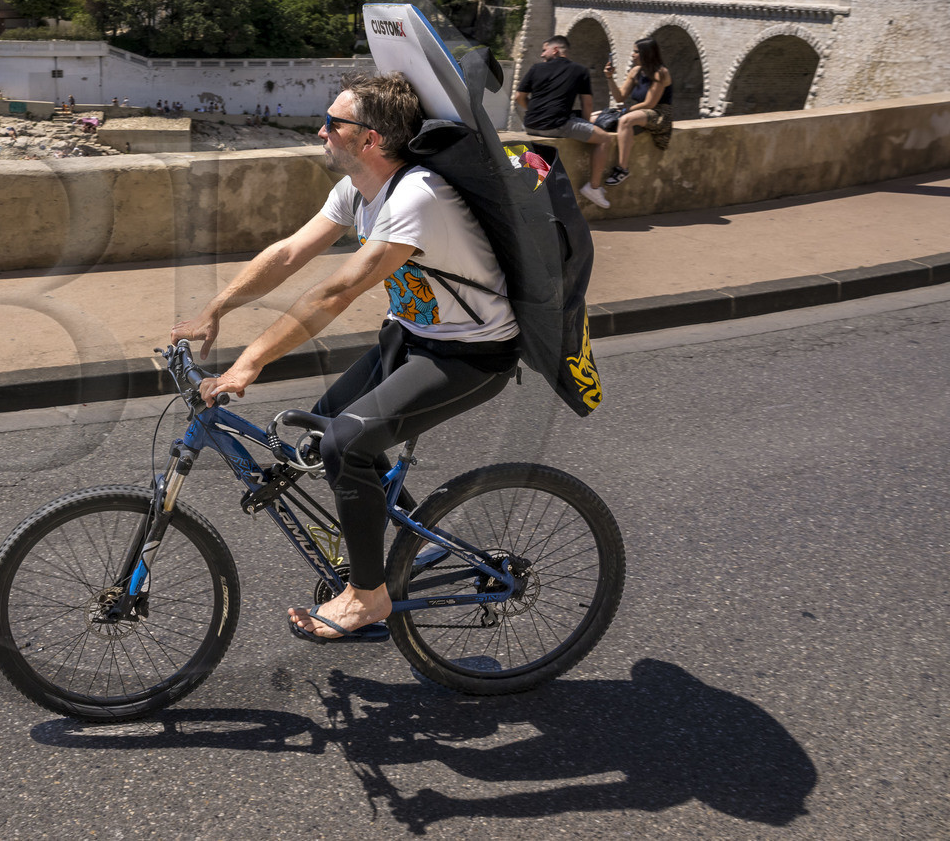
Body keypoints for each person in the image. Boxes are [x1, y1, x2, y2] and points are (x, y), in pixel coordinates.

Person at [171, 73, 520, 643]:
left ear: (372, 140)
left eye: (335, 123)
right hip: (410, 337)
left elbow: (337, 291)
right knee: (324, 432)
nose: (321, 130)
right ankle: (421, 543)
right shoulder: (357, 189)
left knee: (345, 444)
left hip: (471, 351)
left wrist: (250, 362)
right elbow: (287, 254)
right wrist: (217, 309)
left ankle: (368, 596)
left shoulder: (416, 196)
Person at [514, 36, 618, 207]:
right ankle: (594, 187)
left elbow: (519, 97)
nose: (541, 55)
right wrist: (588, 127)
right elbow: (587, 103)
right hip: (556, 125)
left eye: (544, 50)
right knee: (605, 138)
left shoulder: (536, 68)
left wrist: (533, 112)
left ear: (555, 50)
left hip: (530, 125)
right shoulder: (580, 70)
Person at [592, 37, 673, 190]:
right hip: (638, 111)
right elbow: (619, 97)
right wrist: (609, 78)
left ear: (646, 53)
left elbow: (650, 104)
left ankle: (622, 169)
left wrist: (626, 111)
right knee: (594, 117)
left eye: (636, 52)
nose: (632, 55)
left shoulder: (660, 73)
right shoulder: (635, 71)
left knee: (625, 121)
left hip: (659, 113)